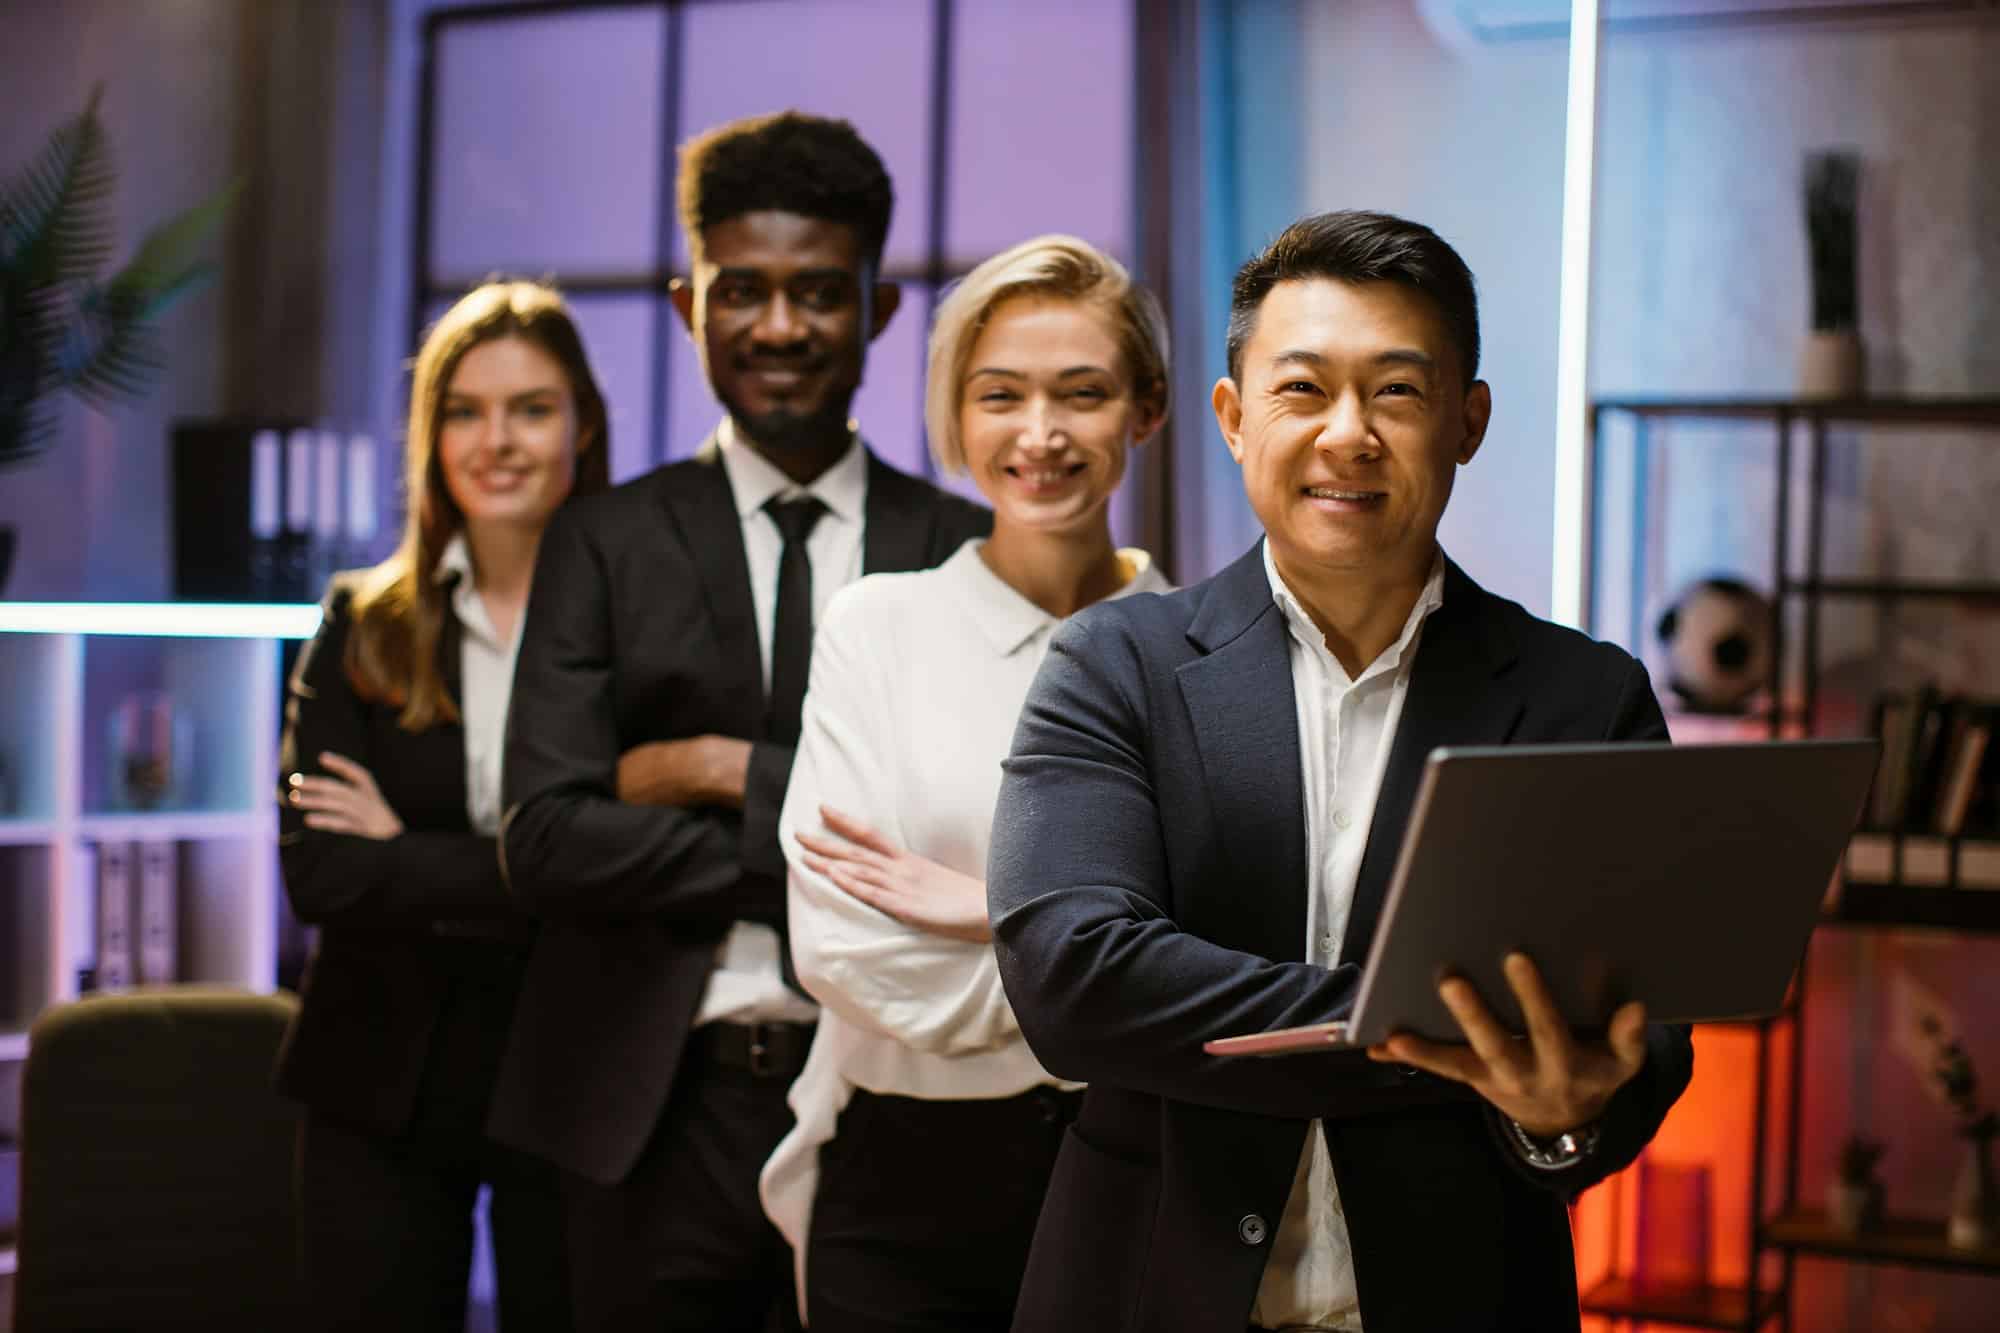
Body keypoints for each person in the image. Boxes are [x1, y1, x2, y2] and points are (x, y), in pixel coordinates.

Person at [986, 211, 1696, 1333]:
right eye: (1302, 390)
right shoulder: (1112, 664)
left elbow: (1640, 1033)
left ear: (1467, 421)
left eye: (1397, 394)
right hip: (1145, 1294)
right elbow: (1074, 981)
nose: (1347, 434)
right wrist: (1449, 1041)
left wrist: (1557, 1114)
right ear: (1230, 418)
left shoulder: (1580, 697)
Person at [490, 111, 992, 1333]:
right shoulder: (604, 542)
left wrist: (719, 769)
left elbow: (978, 859)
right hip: (644, 1116)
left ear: (876, 309)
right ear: (687, 304)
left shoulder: (959, 549)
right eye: (743, 293)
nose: (778, 328)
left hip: (899, 1104)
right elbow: (548, 840)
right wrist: (844, 853)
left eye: (818, 293)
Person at [759, 235, 1172, 1332]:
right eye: (1000, 395)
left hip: (1137, 1171)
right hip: (902, 1176)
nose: (1038, 435)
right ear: (954, 414)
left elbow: (1235, 958)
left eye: (1080, 394)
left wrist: (986, 915)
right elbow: (842, 948)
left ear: (1147, 407)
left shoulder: (1203, 656)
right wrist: (1101, 959)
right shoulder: (875, 627)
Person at [276, 278, 609, 1331]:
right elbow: (321, 873)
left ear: (583, 425)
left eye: (531, 408)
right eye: (463, 410)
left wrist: (408, 853)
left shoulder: (637, 626)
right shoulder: (363, 621)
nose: (495, 440)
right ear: (429, 435)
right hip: (381, 1071)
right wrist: (535, 866)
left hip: (574, 1068)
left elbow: (633, 867)